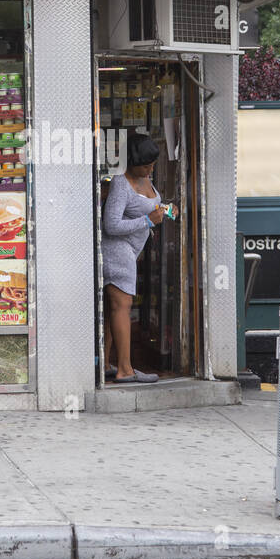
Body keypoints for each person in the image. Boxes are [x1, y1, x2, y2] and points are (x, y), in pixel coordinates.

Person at [102, 133, 168, 384]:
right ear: (131, 162)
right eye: (146, 165)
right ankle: (125, 369)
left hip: (130, 251)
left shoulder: (143, 178)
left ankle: (107, 363)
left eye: (153, 164)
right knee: (122, 308)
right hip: (117, 252)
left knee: (113, 311)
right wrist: (148, 221)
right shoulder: (121, 183)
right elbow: (111, 225)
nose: (150, 169)